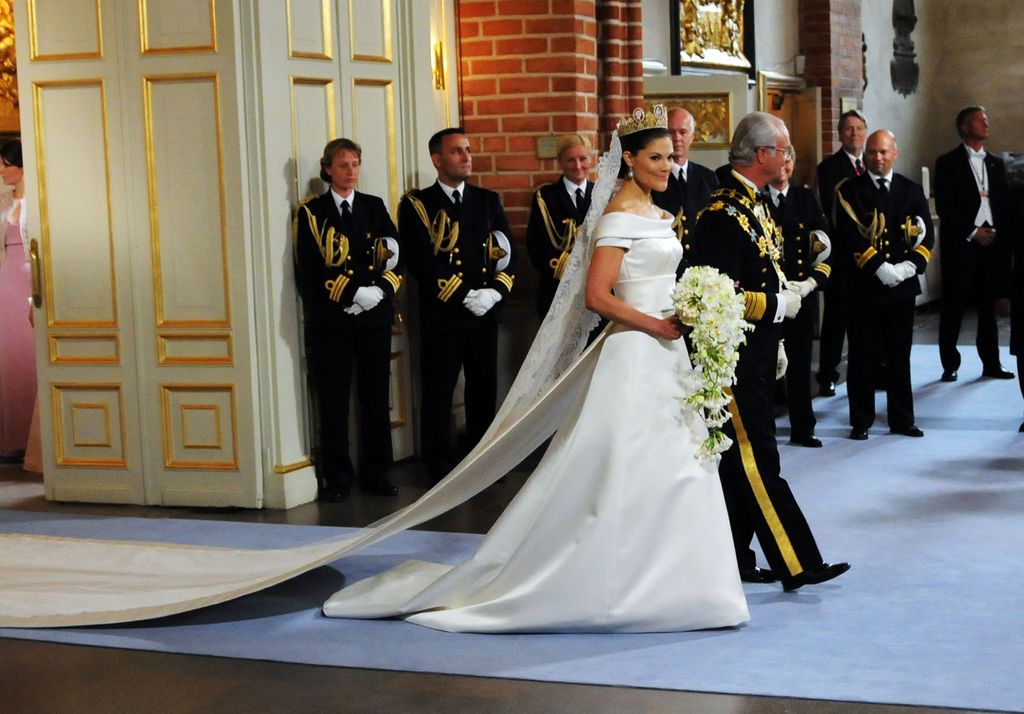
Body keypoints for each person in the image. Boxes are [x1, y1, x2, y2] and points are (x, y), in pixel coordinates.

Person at [321, 104, 749, 632]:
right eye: (655, 157)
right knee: (625, 462)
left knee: (683, 463)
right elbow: (596, 296)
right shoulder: (617, 215)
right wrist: (655, 324)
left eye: (670, 156)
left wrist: (692, 308)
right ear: (629, 161)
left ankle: (686, 584)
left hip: (669, 351)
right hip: (636, 349)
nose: (666, 165)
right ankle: (615, 580)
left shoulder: (662, 216)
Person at [692, 111, 849, 592]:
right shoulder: (723, 214)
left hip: (757, 352)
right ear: (762, 155)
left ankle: (735, 558)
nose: (786, 160)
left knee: (742, 465)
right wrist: (775, 307)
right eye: (782, 151)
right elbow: (712, 294)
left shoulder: (752, 205)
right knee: (758, 459)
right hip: (732, 361)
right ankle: (797, 562)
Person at [400, 128, 516, 483]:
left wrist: (495, 292)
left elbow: (505, 252)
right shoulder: (418, 204)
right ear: (437, 159)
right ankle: (437, 466)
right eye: (456, 152)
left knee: (483, 389)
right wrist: (464, 294)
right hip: (444, 314)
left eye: (468, 150)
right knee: (438, 390)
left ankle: (480, 459)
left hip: (484, 313)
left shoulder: (487, 201)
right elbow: (421, 261)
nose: (466, 157)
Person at [294, 138, 403, 501]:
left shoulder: (374, 206)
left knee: (376, 398)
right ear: (328, 169)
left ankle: (377, 473)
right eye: (343, 165)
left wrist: (378, 292)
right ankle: (337, 478)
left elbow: (394, 254)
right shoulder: (312, 212)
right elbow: (310, 268)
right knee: (334, 401)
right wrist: (351, 293)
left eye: (355, 163)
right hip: (334, 321)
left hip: (374, 318)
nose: (351, 171)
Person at [834, 130, 934, 440]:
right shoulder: (849, 190)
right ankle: (861, 420)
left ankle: (902, 419)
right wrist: (879, 267)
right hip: (865, 287)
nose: (878, 157)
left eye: (884, 152)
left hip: (902, 289)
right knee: (862, 355)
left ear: (896, 153)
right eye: (873, 152)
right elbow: (849, 234)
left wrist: (909, 267)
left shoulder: (911, 190)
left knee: (899, 355)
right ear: (865, 155)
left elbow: (926, 234)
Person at [934, 106, 1015, 382]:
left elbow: (1003, 203)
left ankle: (991, 362)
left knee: (988, 306)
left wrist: (997, 233)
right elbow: (946, 206)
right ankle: (950, 363)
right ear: (966, 127)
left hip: (991, 245)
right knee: (954, 305)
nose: (986, 123)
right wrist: (972, 231)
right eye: (981, 120)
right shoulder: (947, 162)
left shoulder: (996, 163)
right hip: (962, 244)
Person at [767, 146, 832, 448]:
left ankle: (803, 427)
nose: (784, 166)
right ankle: (765, 426)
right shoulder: (757, 199)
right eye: (779, 159)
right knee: (766, 363)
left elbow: (826, 248)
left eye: (789, 160)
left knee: (801, 362)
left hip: (800, 294)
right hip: (767, 296)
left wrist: (810, 284)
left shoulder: (806, 198)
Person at [815, 110, 868, 396]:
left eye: (859, 128)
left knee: (869, 319)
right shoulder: (829, 168)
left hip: (870, 257)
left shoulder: (872, 164)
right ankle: (827, 374)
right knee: (836, 320)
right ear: (839, 133)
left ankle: (874, 369)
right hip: (844, 257)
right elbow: (838, 208)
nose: (854, 134)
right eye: (848, 129)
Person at [526, 134, 593, 318]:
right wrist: (572, 270)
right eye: (571, 160)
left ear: (591, 158)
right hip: (557, 289)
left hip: (595, 288)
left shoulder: (603, 194)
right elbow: (536, 246)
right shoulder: (545, 197)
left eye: (583, 158)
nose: (578, 166)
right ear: (560, 162)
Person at [0, 139, 37, 464]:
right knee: (9, 358)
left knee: (31, 353)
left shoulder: (39, 201)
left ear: (22, 166)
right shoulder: (2, 200)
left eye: (6, 165)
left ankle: (35, 438)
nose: (2, 171)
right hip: (6, 280)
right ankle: (11, 439)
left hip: (30, 277)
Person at [651, 106, 718, 272]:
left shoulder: (709, 178)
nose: (677, 138)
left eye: (683, 132)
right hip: (666, 268)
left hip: (704, 270)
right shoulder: (653, 178)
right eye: (670, 132)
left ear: (692, 137)